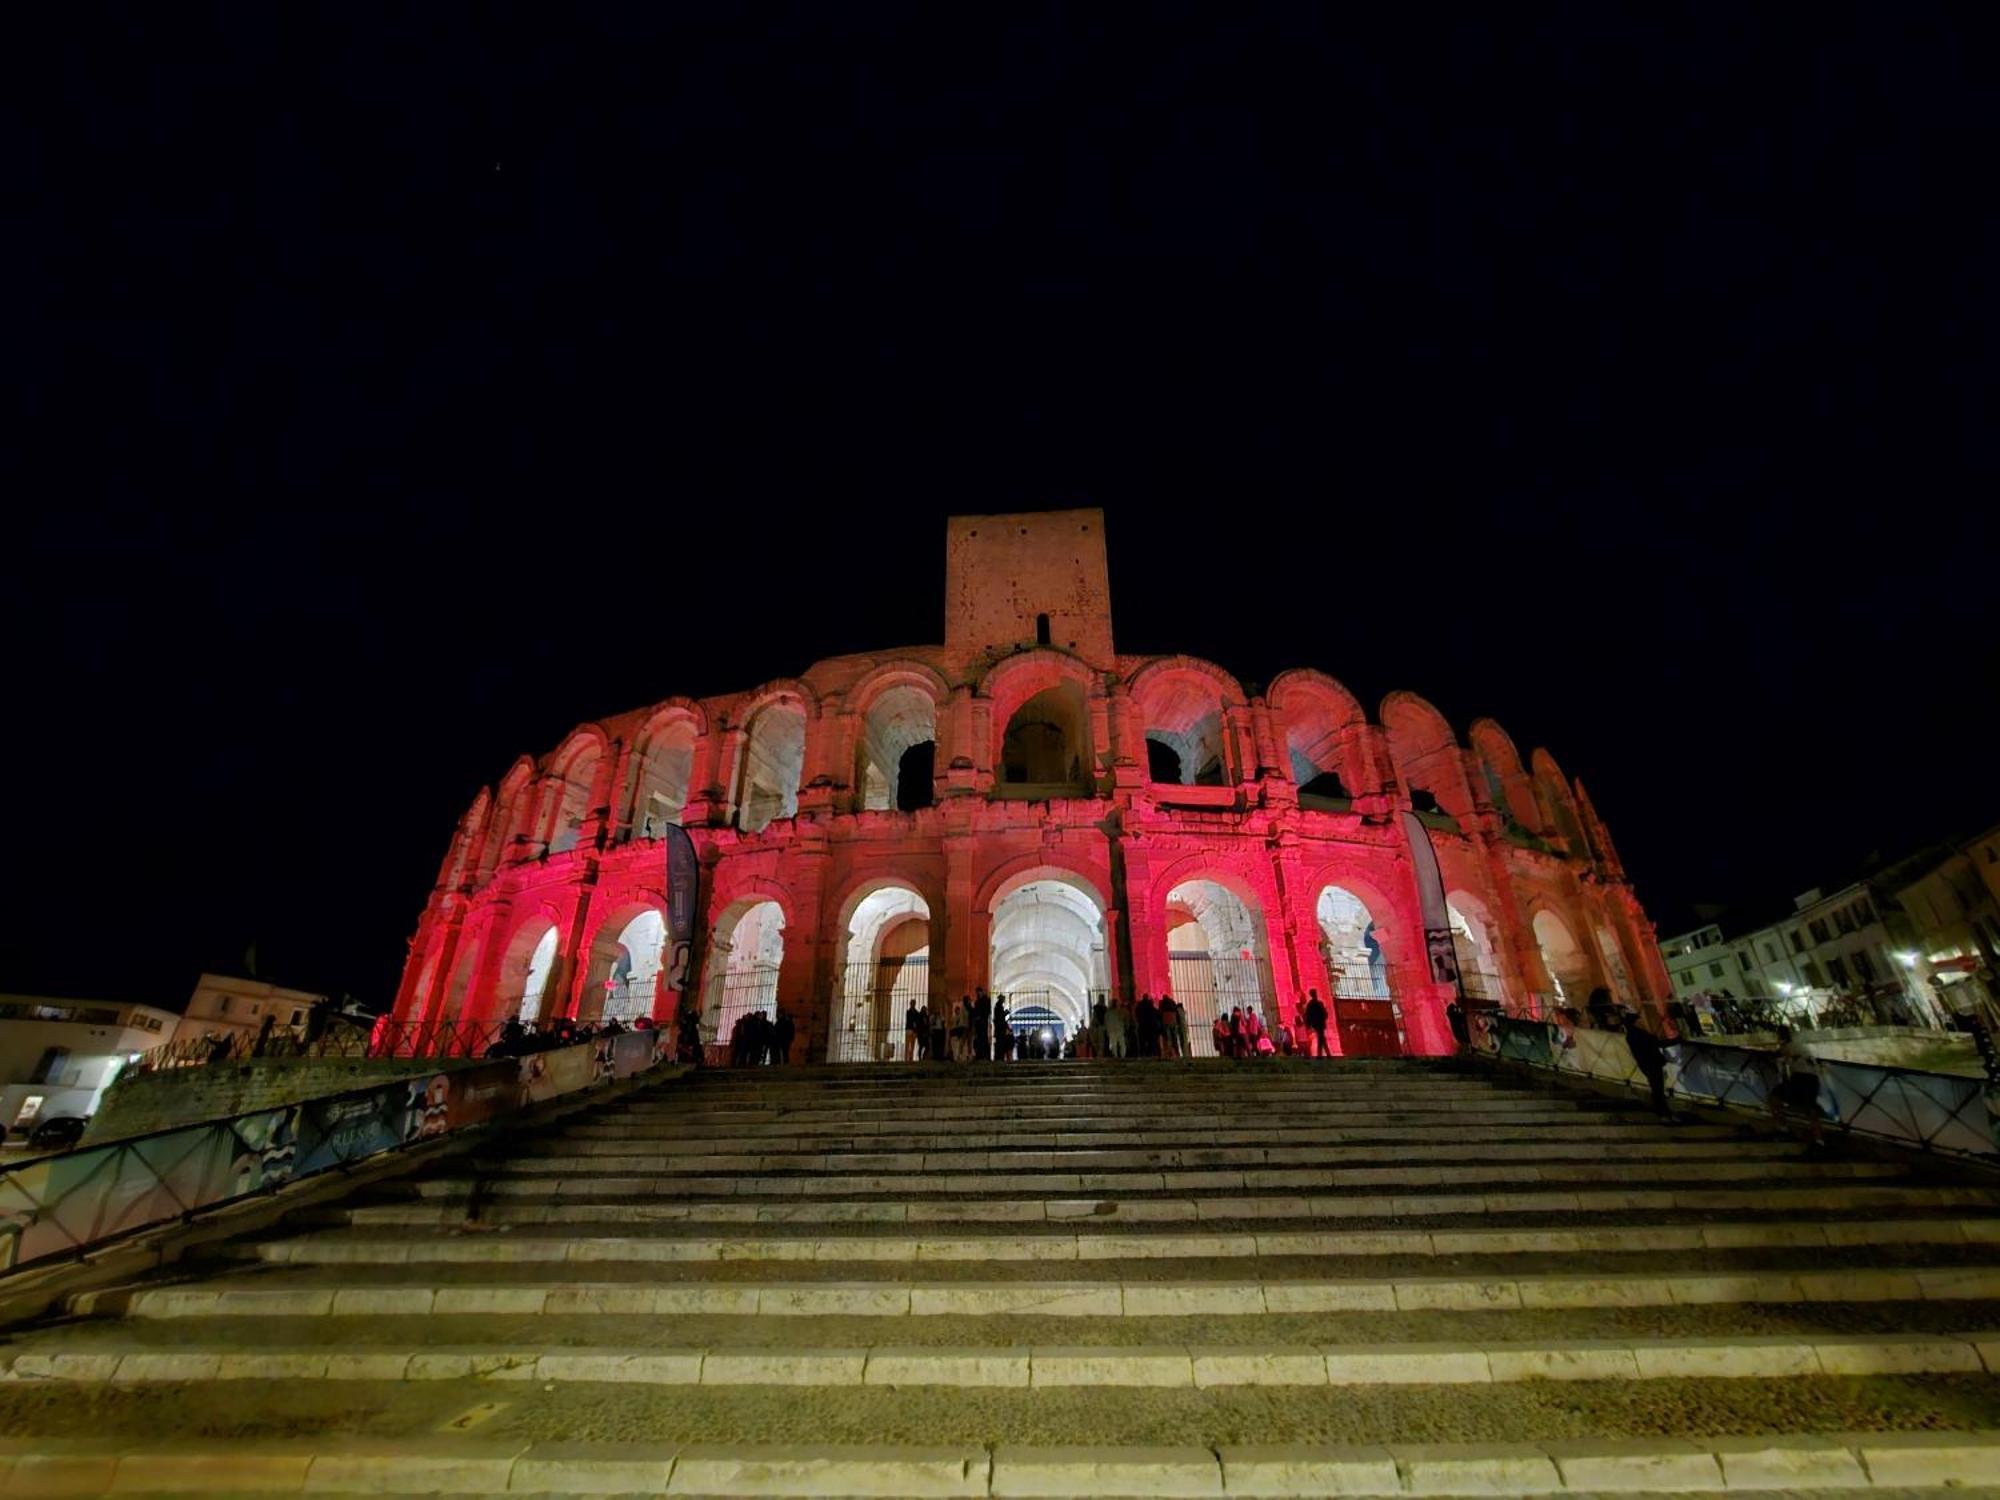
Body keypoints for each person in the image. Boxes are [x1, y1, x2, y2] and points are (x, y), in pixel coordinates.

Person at [1769, 1024, 1827, 1148]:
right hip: (1812, 1078)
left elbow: (1777, 1054)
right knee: (1810, 1109)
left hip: (1801, 1078)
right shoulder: (1800, 1044)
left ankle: (1783, 1128)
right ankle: (1819, 1140)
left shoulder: (1787, 1046)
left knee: (1774, 1098)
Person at [1621, 1010, 1674, 1120]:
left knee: (1657, 1089)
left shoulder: (1632, 1034)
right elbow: (1656, 1043)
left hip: (1647, 1064)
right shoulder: (1639, 1034)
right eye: (1638, 1020)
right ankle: (1663, 1113)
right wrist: (1675, 1041)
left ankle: (1663, 1112)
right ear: (1634, 1022)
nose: (1640, 1021)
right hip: (1651, 1063)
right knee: (1657, 1089)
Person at [1303, 989, 1331, 1059]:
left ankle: (1322, 1054)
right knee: (1321, 1037)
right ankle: (1324, 1054)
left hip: (1315, 1024)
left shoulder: (1310, 1005)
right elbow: (1325, 1014)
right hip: (1320, 1023)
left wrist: (1308, 1025)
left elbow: (1308, 1015)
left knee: (1321, 1038)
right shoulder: (1319, 1003)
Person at [1135, 995, 1159, 1059]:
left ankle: (1142, 1053)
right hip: (1151, 1026)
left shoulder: (1139, 1007)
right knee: (1151, 1041)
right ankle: (1151, 1053)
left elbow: (1137, 1014)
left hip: (1142, 1025)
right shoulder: (1151, 1007)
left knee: (1142, 1041)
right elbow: (1157, 1014)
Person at [973, 989, 992, 1062]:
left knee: (983, 1037)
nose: (978, 994)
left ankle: (984, 1055)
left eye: (978, 993)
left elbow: (987, 1011)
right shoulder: (978, 1001)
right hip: (979, 1022)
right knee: (980, 1038)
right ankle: (980, 1054)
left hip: (982, 1021)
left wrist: (981, 1016)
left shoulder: (985, 1001)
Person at [993, 995, 1011, 1061]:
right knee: (1000, 1043)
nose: (1004, 1000)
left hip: (999, 1028)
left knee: (999, 1043)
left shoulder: (998, 1006)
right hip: (1000, 1028)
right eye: (1003, 999)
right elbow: (1000, 1017)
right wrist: (1005, 1013)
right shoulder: (999, 1006)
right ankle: (999, 1057)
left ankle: (999, 1057)